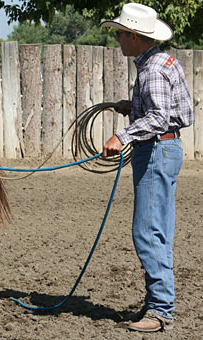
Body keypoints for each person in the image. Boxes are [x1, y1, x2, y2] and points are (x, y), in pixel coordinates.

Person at [100, 3, 194, 333]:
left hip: (154, 151)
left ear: (137, 36)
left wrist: (120, 135)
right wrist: (132, 107)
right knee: (158, 232)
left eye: (122, 34)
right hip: (165, 148)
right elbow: (177, 112)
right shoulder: (163, 62)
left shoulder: (151, 70)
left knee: (146, 232)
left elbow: (159, 118)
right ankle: (159, 302)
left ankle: (160, 309)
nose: (118, 39)